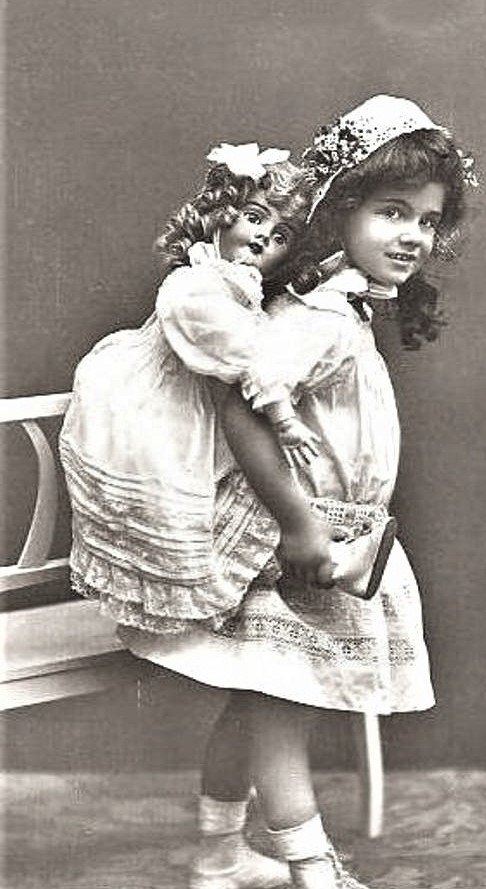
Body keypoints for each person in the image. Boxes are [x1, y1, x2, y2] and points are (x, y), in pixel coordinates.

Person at [118, 95, 476, 889]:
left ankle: (218, 856)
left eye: (427, 220)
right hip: (298, 536)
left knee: (259, 698)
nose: (413, 236)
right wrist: (301, 527)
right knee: (285, 704)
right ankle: (313, 880)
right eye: (392, 212)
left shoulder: (339, 305)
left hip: (319, 528)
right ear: (337, 213)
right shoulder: (318, 317)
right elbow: (245, 407)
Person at [59, 143, 395, 643]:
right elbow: (244, 355)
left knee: (256, 482)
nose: (263, 237)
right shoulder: (195, 287)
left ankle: (329, 559)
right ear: (218, 214)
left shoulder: (240, 287)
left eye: (280, 236)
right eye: (254, 218)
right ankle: (323, 560)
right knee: (207, 499)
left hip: (207, 407)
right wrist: (281, 410)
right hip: (163, 415)